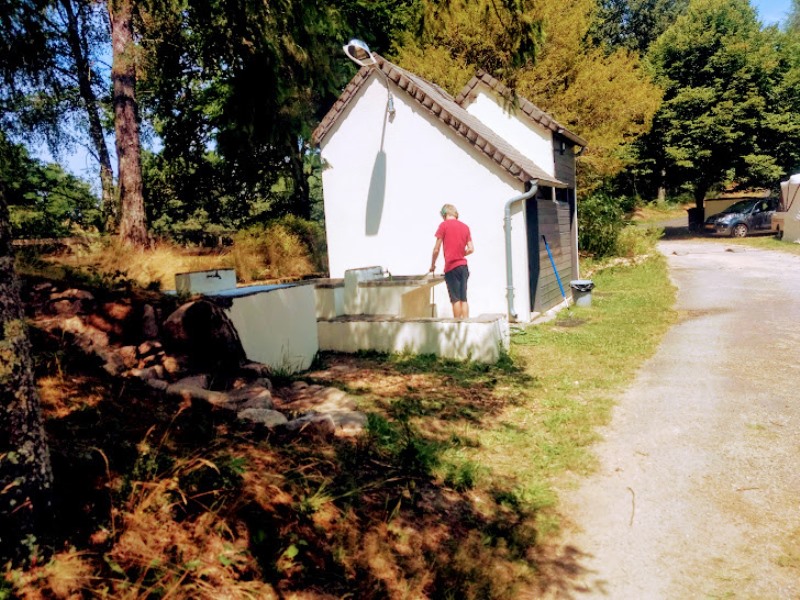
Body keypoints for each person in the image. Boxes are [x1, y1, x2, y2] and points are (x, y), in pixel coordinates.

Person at [429, 203, 474, 319]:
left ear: (445, 215)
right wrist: (460, 253)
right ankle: (466, 326)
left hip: (451, 268)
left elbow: (436, 249)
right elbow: (471, 249)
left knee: (455, 300)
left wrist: (433, 265)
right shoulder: (465, 227)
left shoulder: (443, 226)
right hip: (464, 267)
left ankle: (458, 327)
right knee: (464, 299)